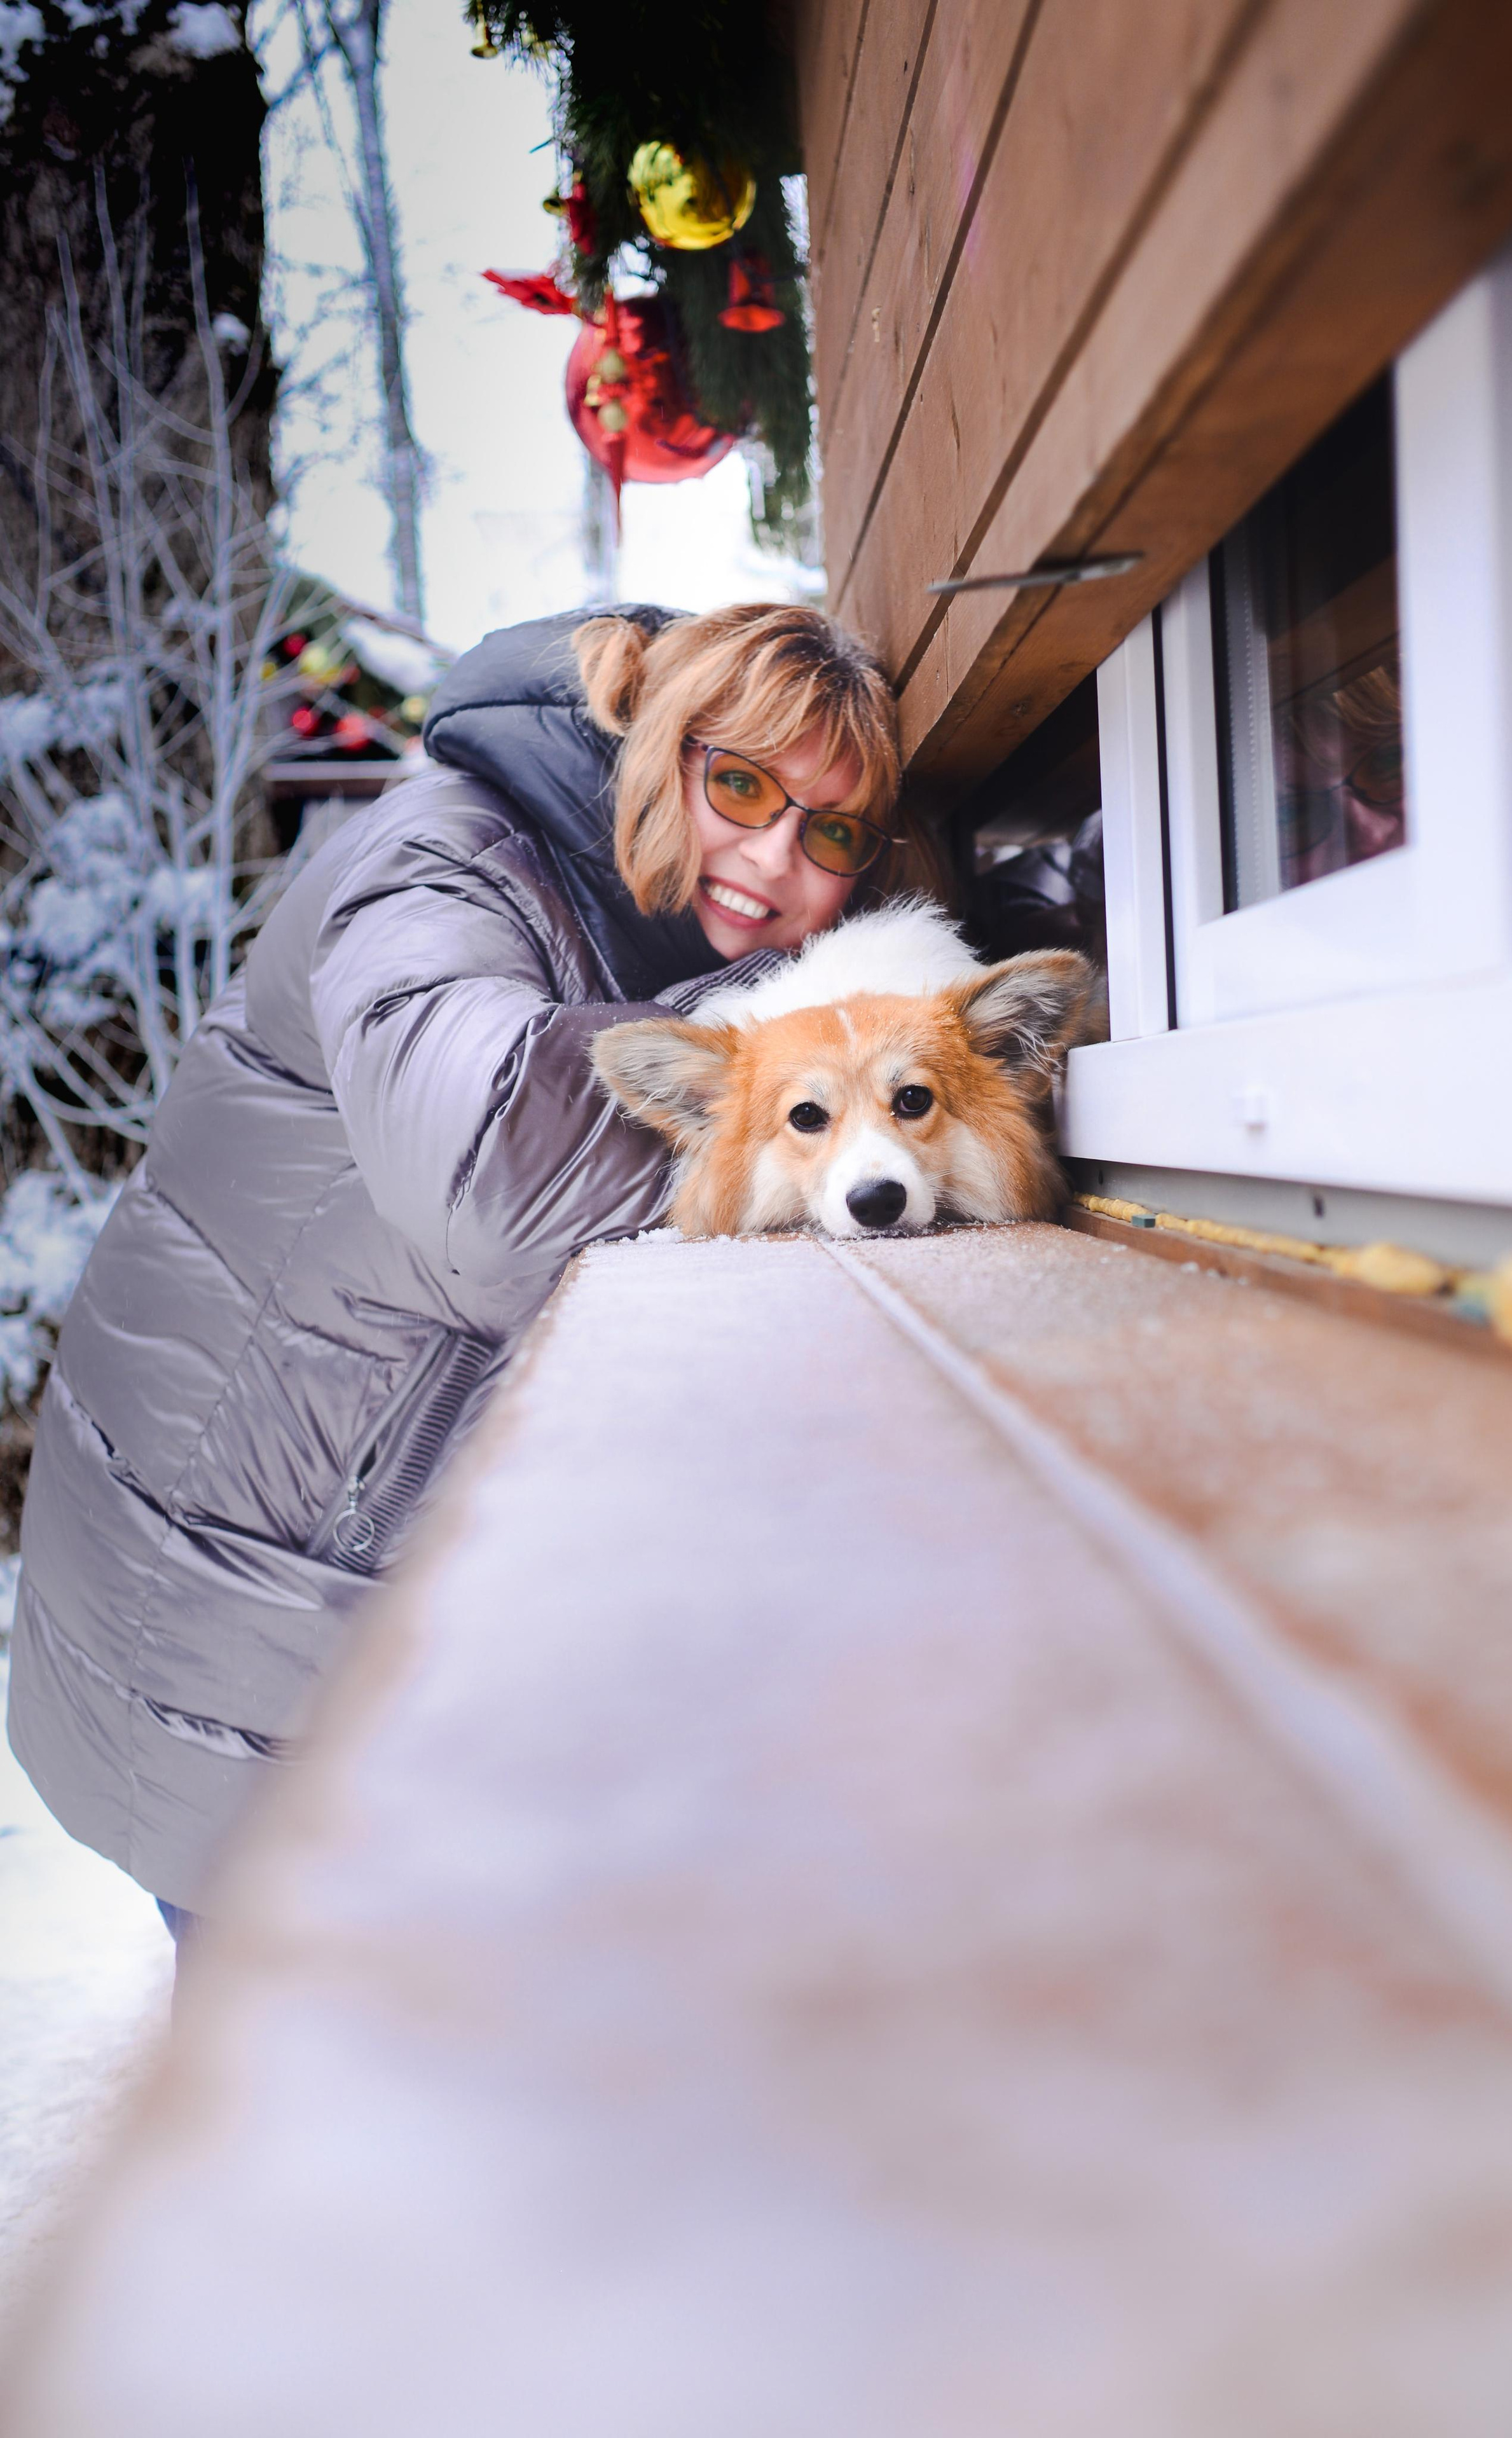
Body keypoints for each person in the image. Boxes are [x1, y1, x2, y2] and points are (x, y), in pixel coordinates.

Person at [4, 601, 914, 1932]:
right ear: (657, 746)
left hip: (315, 1610)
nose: (774, 855)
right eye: (739, 787)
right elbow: (482, 1173)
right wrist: (806, 1039)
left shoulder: (658, 921)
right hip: (234, 1626)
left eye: (830, 834)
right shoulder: (443, 860)